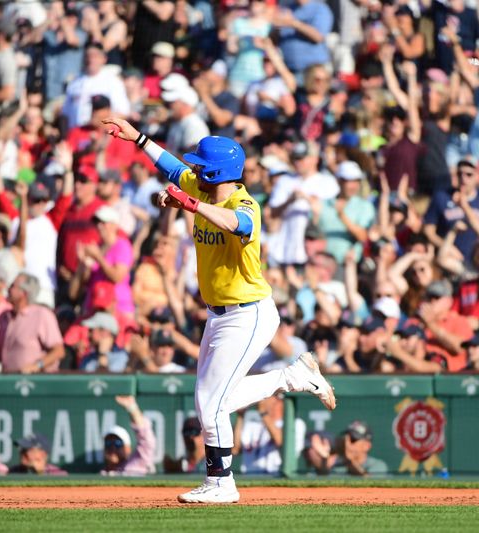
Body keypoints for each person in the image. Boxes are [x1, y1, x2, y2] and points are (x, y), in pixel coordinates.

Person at [102, 117, 335, 504]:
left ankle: (222, 483)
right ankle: (292, 378)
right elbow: (173, 168)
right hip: (220, 313)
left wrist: (187, 203)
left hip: (249, 312)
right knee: (213, 401)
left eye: (200, 166)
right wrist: (140, 139)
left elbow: (237, 223)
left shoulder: (243, 202)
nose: (193, 169)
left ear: (214, 172)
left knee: (211, 404)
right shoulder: (203, 187)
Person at [100, 395, 156, 476]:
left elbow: (147, 442)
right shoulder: (102, 474)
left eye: (118, 443)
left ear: (128, 448)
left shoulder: (135, 465)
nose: (112, 447)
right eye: (108, 443)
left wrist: (132, 408)